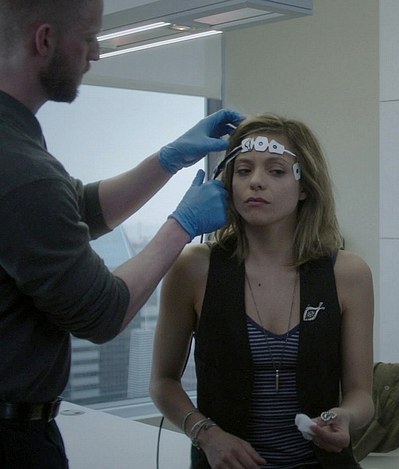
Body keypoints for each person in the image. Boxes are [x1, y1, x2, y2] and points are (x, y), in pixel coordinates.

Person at [0, 0, 244, 466]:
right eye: (89, 38)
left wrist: (167, 160)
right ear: (44, 39)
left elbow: (75, 210)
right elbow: (101, 312)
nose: (97, 53)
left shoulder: (15, 149)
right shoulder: (22, 169)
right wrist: (181, 226)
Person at [150, 113, 374, 469]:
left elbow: (361, 394)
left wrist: (343, 416)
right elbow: (162, 382)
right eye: (243, 170)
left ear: (304, 187)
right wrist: (206, 434)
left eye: (276, 171)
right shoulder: (194, 268)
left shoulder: (347, 274)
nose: (255, 182)